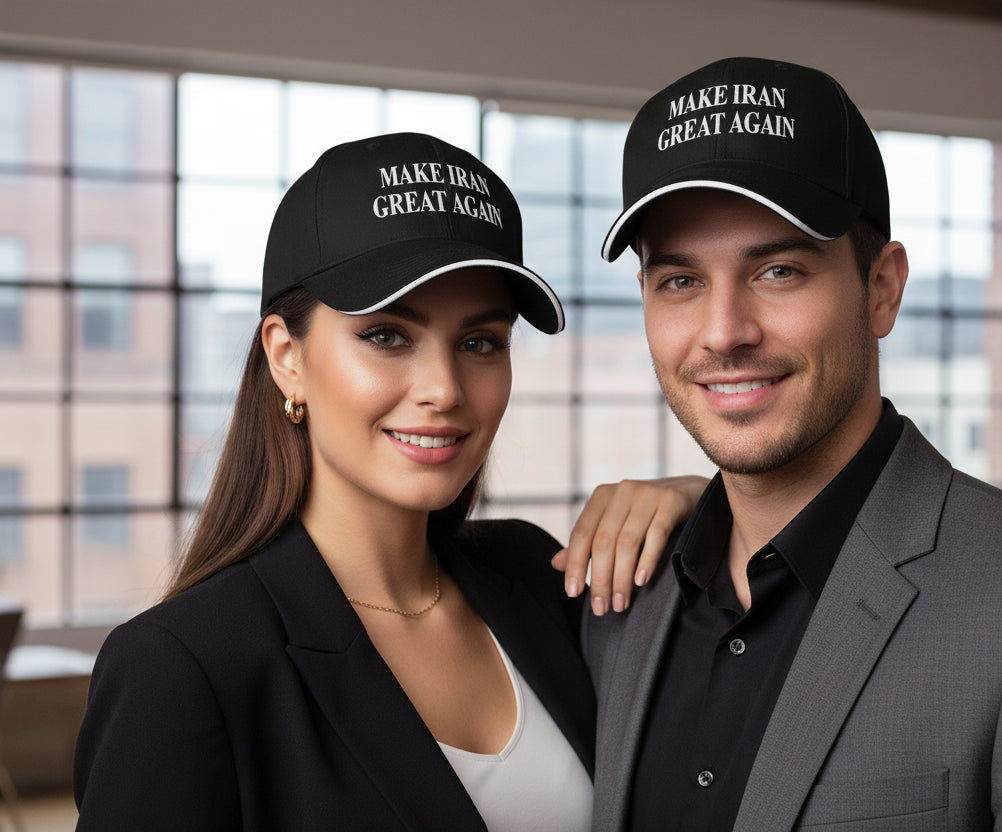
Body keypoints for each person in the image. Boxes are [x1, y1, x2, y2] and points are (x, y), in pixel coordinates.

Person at [582, 57, 1002, 831]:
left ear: (881, 288)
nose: (724, 333)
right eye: (680, 282)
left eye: (778, 270)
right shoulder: (618, 603)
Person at [73, 131, 702, 831]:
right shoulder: (179, 668)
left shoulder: (533, 572)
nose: (443, 388)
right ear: (286, 357)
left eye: (479, 343)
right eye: (387, 336)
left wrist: (703, 502)